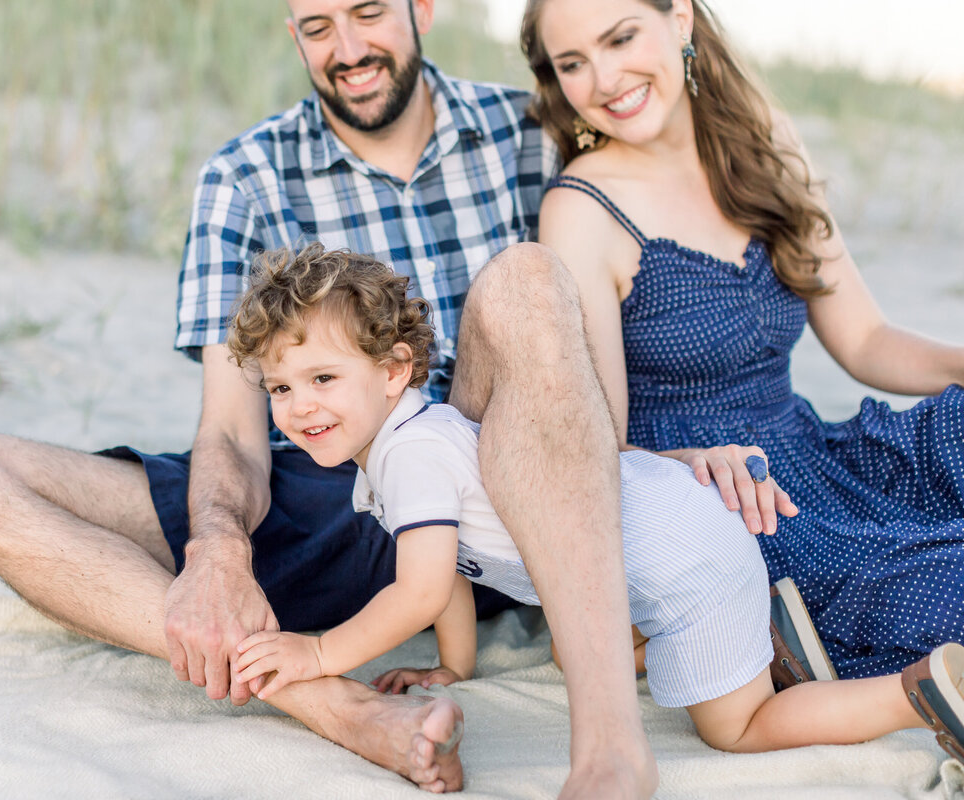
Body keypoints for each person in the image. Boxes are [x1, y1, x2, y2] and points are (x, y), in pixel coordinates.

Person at [0, 1, 667, 796]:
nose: (347, 49)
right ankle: (337, 708)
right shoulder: (245, 177)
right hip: (319, 489)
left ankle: (611, 751)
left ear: (425, 9)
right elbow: (235, 432)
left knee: (522, 277)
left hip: (492, 482)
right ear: (292, 33)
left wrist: (671, 454)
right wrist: (218, 553)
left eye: (370, 13)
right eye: (317, 27)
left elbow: (654, 273)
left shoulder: (530, 131)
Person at [223, 241, 964, 761]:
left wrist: (318, 650)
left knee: (738, 729)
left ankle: (916, 692)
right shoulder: (405, 443)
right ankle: (766, 648)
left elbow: (416, 591)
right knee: (688, 664)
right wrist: (455, 669)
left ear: (394, 371)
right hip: (673, 525)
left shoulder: (409, 455)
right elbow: (448, 574)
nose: (298, 407)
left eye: (324, 379)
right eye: (281, 388)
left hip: (691, 565)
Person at [521, 0, 964, 683]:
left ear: (680, 21)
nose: (605, 78)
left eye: (621, 38)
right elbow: (597, 445)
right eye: (574, 63)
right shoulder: (581, 209)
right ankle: (780, 628)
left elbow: (866, 339)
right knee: (945, 581)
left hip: (814, 449)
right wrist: (689, 462)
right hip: (728, 494)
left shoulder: (767, 145)